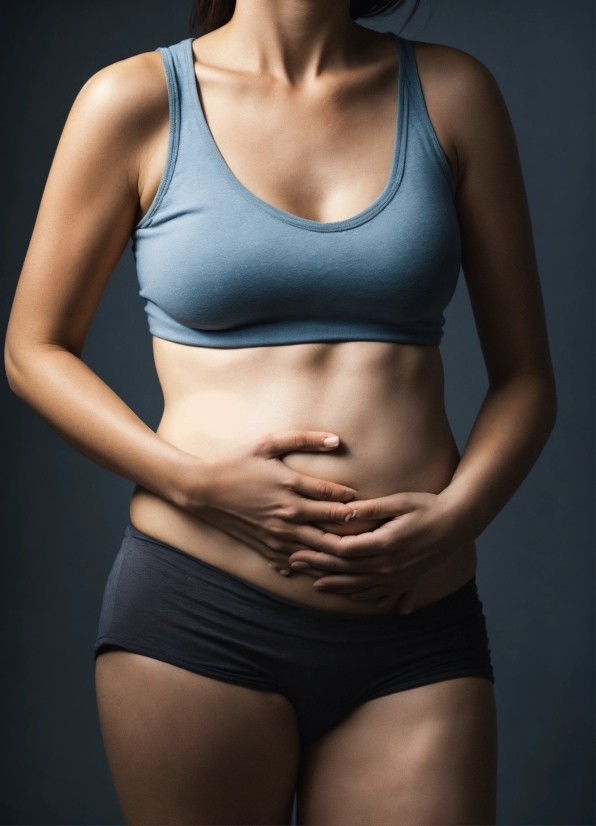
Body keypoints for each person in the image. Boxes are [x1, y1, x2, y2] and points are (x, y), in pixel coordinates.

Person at [4, 0, 557, 822]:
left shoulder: (452, 92)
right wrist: (194, 483)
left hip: (415, 619)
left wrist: (457, 518)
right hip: (200, 617)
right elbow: (32, 349)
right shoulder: (134, 100)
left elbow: (527, 380)